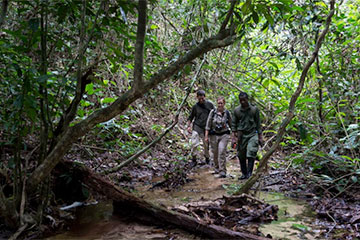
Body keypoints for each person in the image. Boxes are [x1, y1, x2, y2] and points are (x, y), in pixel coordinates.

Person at [231, 92, 263, 179]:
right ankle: (244, 174)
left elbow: (258, 123)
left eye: (244, 100)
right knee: (241, 155)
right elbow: (234, 124)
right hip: (241, 135)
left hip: (252, 134)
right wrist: (234, 138)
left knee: (251, 152)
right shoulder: (237, 111)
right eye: (241, 100)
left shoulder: (254, 110)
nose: (242, 102)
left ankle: (249, 173)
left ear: (247, 99)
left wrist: (260, 137)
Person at [205, 97, 231, 178]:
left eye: (221, 103)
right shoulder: (212, 112)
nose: (220, 105)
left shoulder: (227, 113)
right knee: (215, 152)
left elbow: (232, 124)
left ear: (224, 103)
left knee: (222, 151)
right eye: (218, 103)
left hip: (224, 135)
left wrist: (234, 136)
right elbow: (208, 125)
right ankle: (216, 168)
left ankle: (222, 171)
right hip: (213, 135)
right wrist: (206, 136)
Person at [187, 90, 214, 166]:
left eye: (202, 98)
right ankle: (194, 159)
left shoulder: (210, 105)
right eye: (199, 99)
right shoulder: (195, 106)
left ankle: (207, 158)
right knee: (194, 143)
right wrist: (188, 126)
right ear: (197, 98)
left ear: (205, 97)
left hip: (206, 128)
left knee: (206, 144)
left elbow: (214, 115)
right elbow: (191, 117)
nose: (201, 100)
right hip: (197, 126)